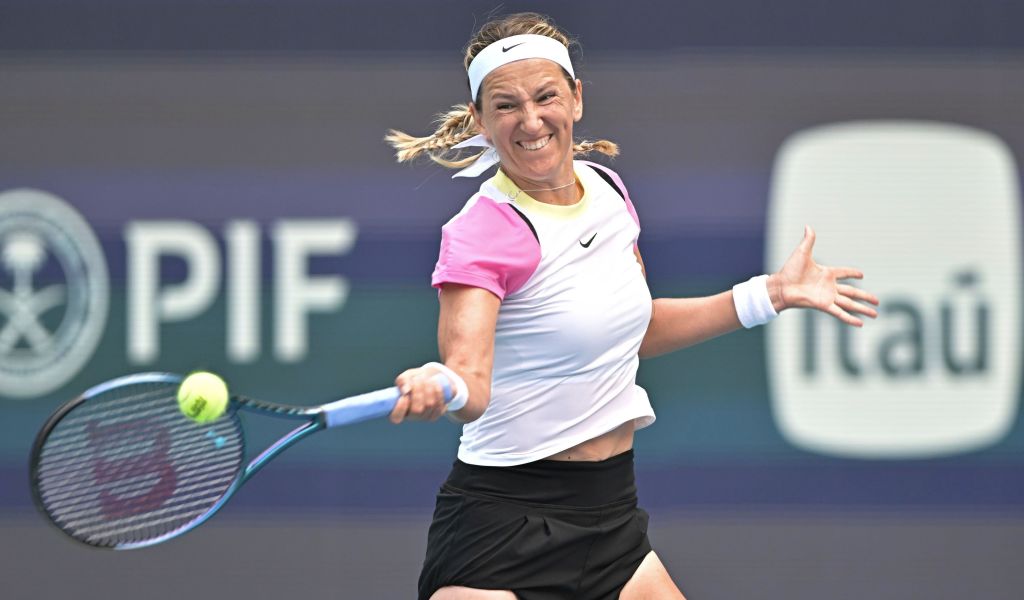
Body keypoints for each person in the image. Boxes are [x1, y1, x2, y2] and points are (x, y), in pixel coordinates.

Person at [384, 12, 879, 600]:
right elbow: (472, 381)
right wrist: (442, 384)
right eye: (506, 105)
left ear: (577, 99)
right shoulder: (481, 231)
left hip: (610, 518)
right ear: (481, 122)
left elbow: (629, 331)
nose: (531, 120)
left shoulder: (608, 193)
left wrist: (766, 296)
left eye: (546, 97)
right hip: (500, 532)